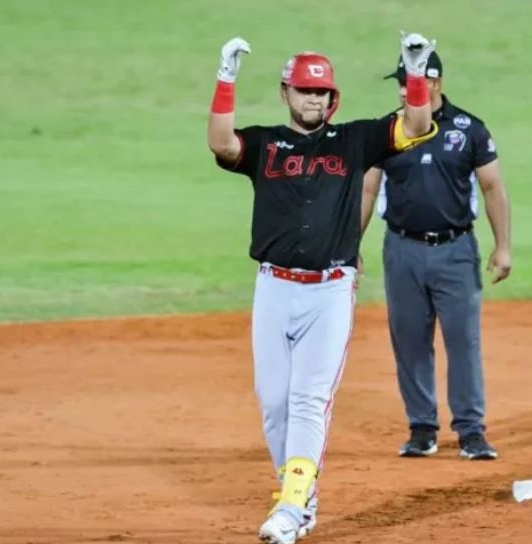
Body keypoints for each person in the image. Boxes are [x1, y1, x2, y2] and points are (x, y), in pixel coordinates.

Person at [208, 32, 437, 544]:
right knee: (273, 402)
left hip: (330, 290)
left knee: (309, 400)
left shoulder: (355, 140)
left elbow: (418, 125)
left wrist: (415, 73)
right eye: (304, 91)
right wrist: (225, 79)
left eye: (322, 92)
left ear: (334, 99)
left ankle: (289, 509)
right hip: (273, 289)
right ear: (285, 93)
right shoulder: (266, 144)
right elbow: (222, 144)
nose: (314, 99)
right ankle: (300, 497)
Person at [361, 49, 512, 462]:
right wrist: (348, 247)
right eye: (402, 82)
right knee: (409, 341)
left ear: (435, 82)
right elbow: (368, 189)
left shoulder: (469, 129)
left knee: (463, 341)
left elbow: (493, 187)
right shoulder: (386, 131)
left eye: (413, 80)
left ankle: (471, 431)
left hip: (456, 251)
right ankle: (422, 428)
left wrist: (502, 246)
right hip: (402, 250)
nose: (405, 89)